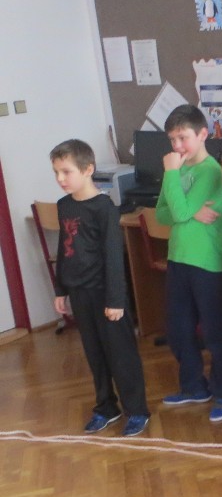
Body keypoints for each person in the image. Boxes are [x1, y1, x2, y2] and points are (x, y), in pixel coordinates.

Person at [50, 139, 150, 437]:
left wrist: (116, 300)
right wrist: (60, 288)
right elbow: (64, 249)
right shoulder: (64, 206)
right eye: (56, 172)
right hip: (79, 293)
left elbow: (113, 257)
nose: (60, 178)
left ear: (88, 169)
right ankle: (106, 407)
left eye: (66, 171)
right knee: (95, 354)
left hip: (107, 295)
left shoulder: (104, 208)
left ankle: (137, 410)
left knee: (121, 354)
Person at [156, 104, 222, 422]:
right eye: (172, 140)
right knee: (179, 329)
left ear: (203, 134)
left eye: (183, 138)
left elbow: (177, 212)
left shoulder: (211, 171)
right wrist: (189, 212)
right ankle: (193, 386)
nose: (177, 146)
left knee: (215, 332)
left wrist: (180, 202)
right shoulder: (176, 169)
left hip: (207, 262)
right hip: (178, 259)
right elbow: (163, 214)